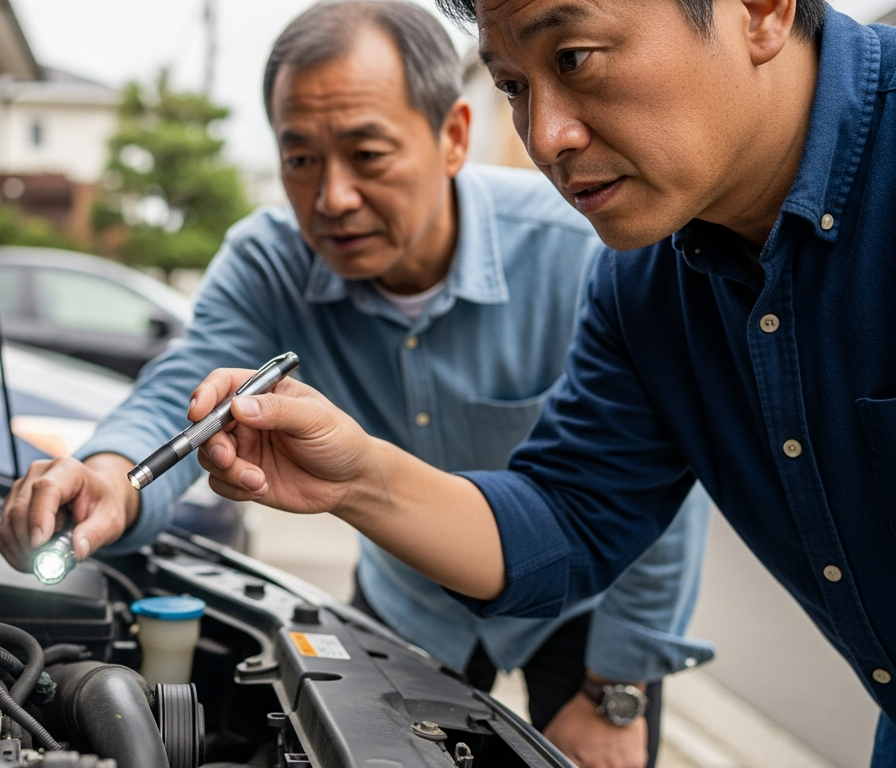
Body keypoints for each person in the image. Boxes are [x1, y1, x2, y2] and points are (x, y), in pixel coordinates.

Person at [0, 4, 713, 766]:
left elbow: (661, 491)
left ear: (454, 138)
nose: (332, 197)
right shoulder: (270, 262)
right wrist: (110, 476)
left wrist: (617, 692)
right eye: (300, 159)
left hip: (590, 612)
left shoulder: (586, 251)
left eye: (367, 154)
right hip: (410, 598)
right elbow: (184, 383)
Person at [181, 0, 896, 765]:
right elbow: (568, 522)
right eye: (515, 87)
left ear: (760, 11)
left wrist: (615, 692)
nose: (547, 137)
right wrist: (355, 478)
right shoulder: (642, 284)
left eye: (575, 57)